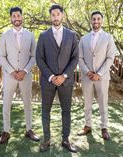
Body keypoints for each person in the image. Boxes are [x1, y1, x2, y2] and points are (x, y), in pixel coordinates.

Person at [36, 4, 79, 153]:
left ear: (62, 16)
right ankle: (46, 139)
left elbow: (75, 59)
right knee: (45, 110)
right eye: (53, 15)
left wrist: (64, 76)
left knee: (66, 111)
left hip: (66, 82)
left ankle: (66, 139)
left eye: (57, 14)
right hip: (48, 81)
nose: (55, 17)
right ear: (50, 17)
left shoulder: (72, 35)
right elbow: (39, 59)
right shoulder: (43, 36)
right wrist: (52, 76)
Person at [0, 6, 39, 144]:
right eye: (14, 16)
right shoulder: (4, 35)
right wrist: (11, 71)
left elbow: (34, 56)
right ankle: (6, 131)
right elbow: (1, 56)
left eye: (18, 15)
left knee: (27, 103)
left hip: (25, 76)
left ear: (22, 17)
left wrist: (24, 71)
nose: (16, 18)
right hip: (9, 76)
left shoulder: (30, 35)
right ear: (11, 18)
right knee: (6, 104)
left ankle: (29, 130)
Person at [78, 11, 117, 140]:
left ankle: (104, 127)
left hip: (102, 77)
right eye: (94, 19)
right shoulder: (83, 39)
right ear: (91, 21)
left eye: (98, 19)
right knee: (87, 103)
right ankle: (88, 126)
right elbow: (80, 58)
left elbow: (110, 58)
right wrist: (87, 72)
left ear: (102, 20)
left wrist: (99, 73)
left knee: (103, 103)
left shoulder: (108, 37)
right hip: (87, 77)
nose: (96, 21)